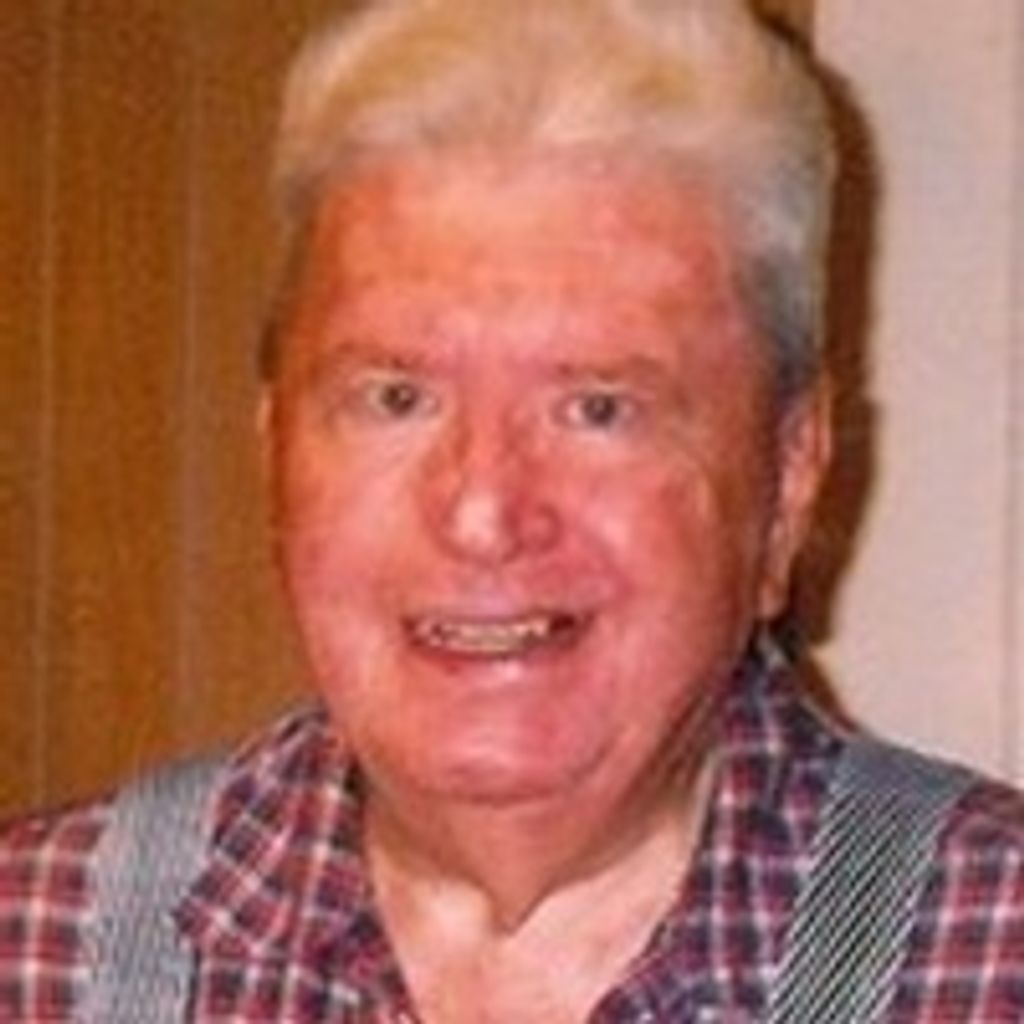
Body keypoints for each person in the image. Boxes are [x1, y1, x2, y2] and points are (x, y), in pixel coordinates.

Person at [1, 0, 1022, 1020]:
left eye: (597, 408)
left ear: (790, 477)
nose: (482, 513)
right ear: (273, 451)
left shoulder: (989, 958)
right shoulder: (33, 952)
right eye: (396, 398)